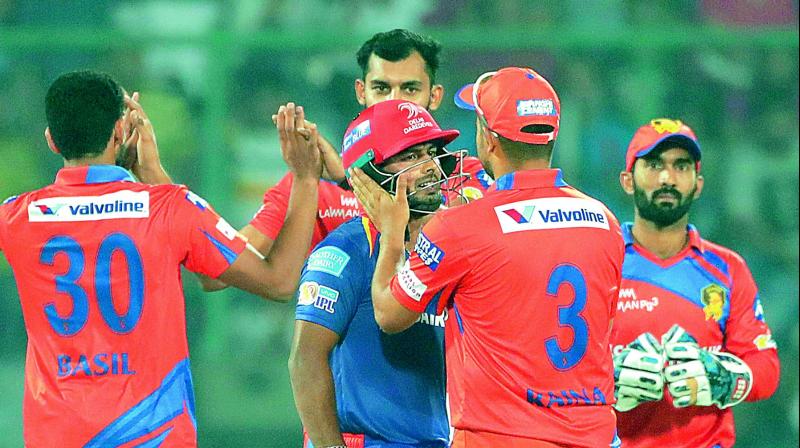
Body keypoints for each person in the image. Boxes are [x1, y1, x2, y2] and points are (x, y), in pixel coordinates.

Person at [0, 70, 321, 447]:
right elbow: (280, 281)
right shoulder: (171, 209)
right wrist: (305, 178)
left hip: (57, 436)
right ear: (121, 132)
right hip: (153, 436)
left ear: (51, 141)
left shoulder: (16, 218)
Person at [351, 67, 625, 447]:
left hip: (500, 437)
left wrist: (392, 237)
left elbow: (388, 313)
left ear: (489, 140)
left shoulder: (459, 227)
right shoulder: (605, 222)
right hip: (596, 436)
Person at [199, 28, 488, 293]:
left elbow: (485, 259)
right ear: (361, 92)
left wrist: (348, 183)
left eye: (410, 89)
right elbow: (217, 275)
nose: (394, 102)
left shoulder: (468, 175)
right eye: (381, 89)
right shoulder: (312, 187)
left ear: (435, 96)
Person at [288, 99, 461, 448]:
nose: (431, 167)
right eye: (412, 157)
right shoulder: (346, 252)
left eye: (431, 152)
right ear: (372, 174)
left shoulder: (448, 246)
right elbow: (305, 360)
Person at [610, 118, 780, 447]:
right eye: (654, 164)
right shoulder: (601, 261)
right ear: (627, 181)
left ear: (698, 184)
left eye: (681, 166)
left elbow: (767, 367)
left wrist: (725, 377)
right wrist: (605, 379)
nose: (667, 178)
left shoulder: (729, 269)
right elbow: (556, 365)